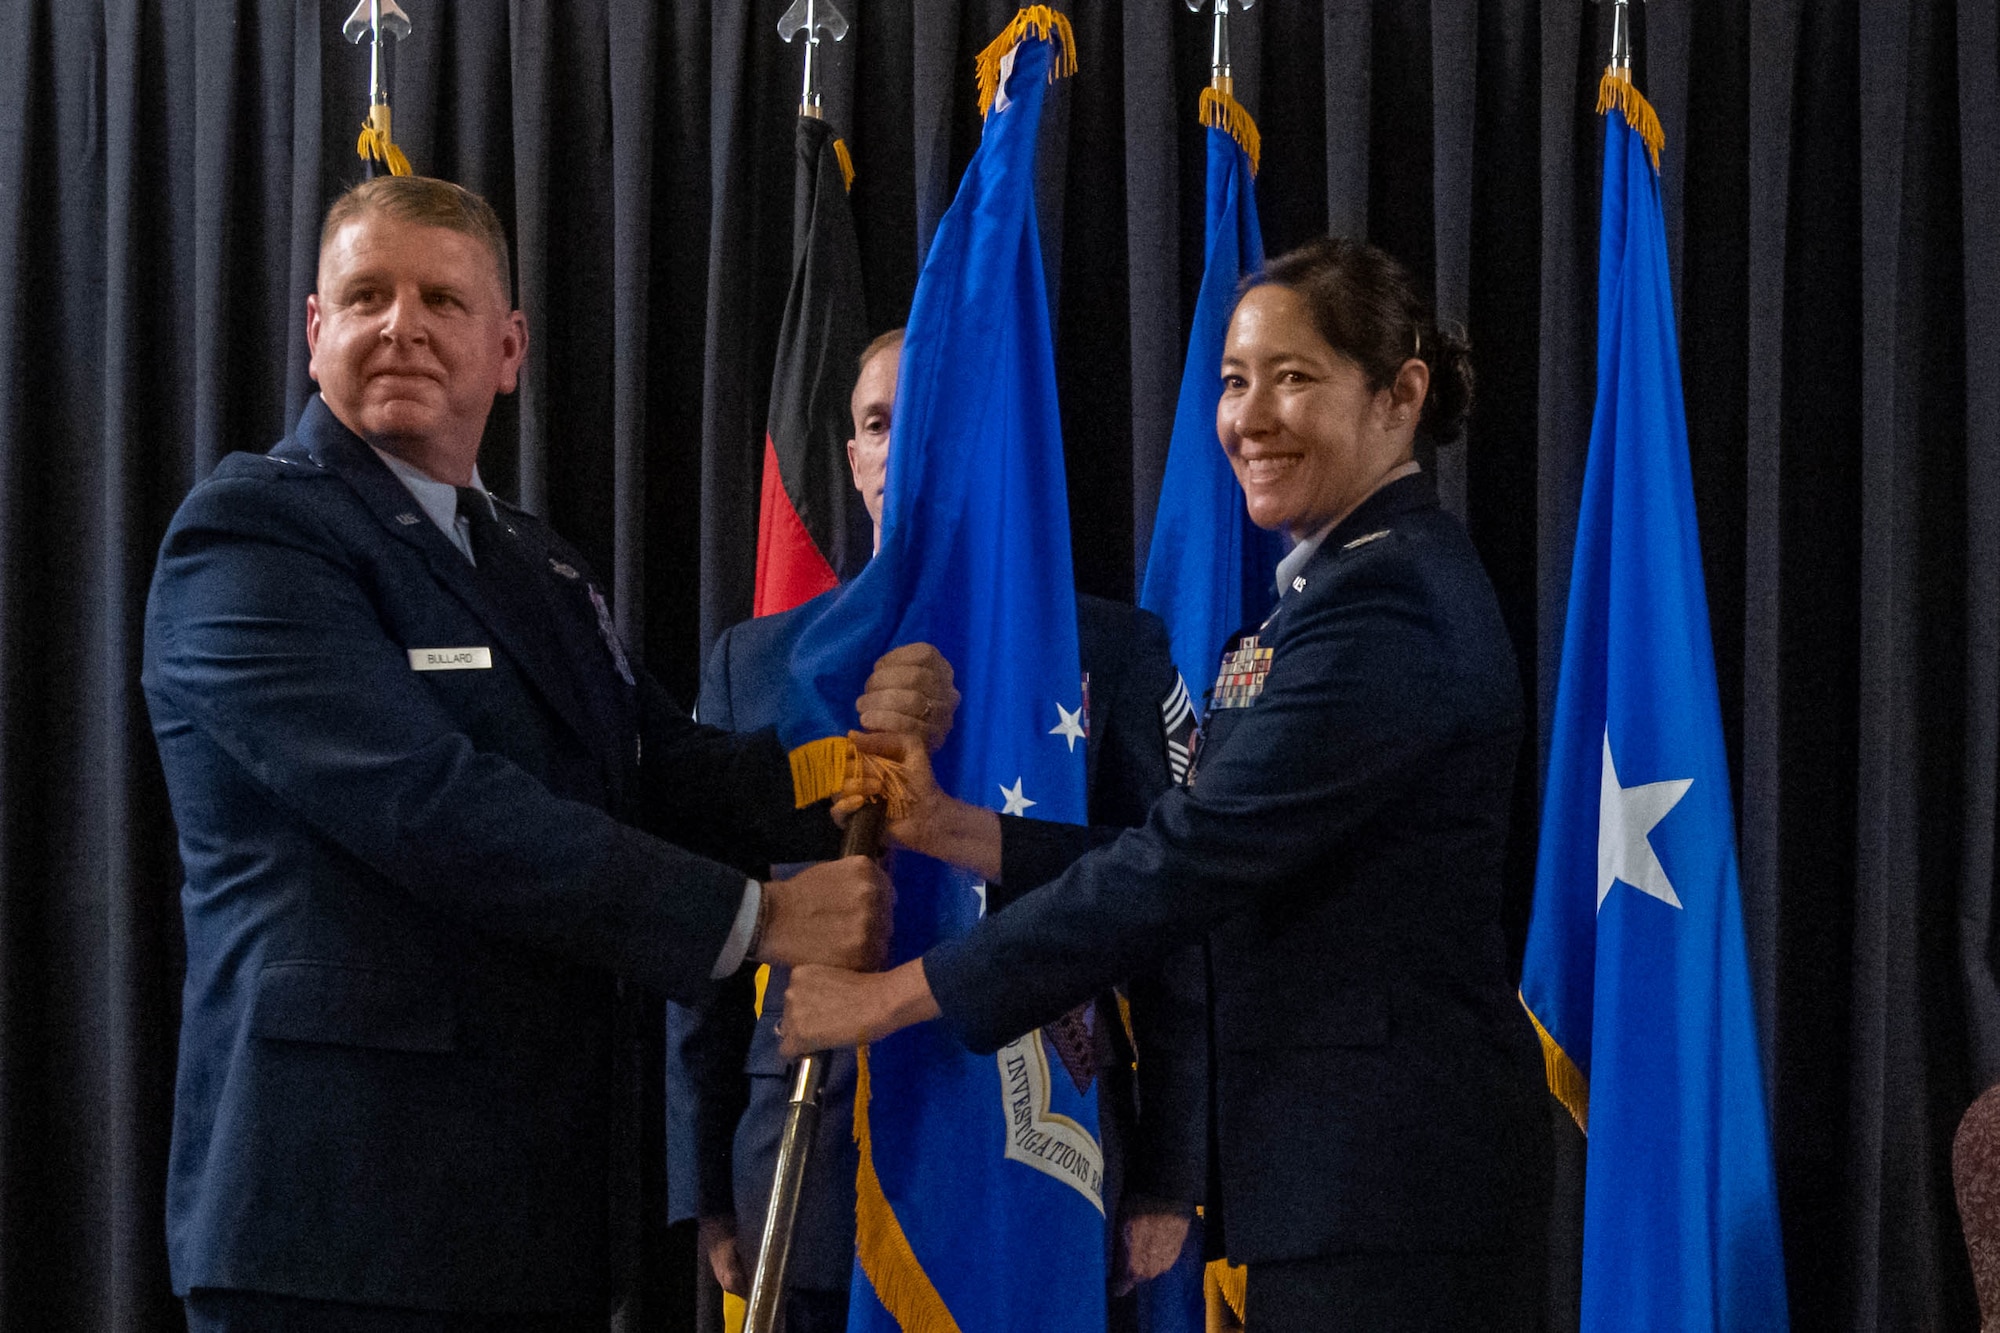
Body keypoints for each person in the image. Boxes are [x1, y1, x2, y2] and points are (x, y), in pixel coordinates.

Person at [141, 176, 954, 1332]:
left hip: (536, 1215)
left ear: (508, 347)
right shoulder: (251, 536)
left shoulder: (539, 563)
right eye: (365, 296)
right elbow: (430, 804)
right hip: (335, 1221)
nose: (402, 326)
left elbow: (660, 768)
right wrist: (755, 921)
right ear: (315, 330)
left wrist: (851, 771)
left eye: (443, 300)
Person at [780, 237, 1555, 1329]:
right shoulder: (1331, 588)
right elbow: (1208, 843)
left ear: (1400, 394)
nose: (1248, 417)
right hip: (1333, 1183)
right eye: (1235, 381)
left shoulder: (1389, 607)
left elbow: (1186, 865)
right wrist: (956, 831)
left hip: (1386, 1193)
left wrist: (891, 998)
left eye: (1293, 377)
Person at [667, 328, 1209, 1332]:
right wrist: (701, 1178)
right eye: (879, 425)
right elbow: (711, 926)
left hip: (1033, 1155)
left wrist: (1170, 1176)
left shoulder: (1112, 650)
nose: (906, 450)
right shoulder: (756, 662)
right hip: (812, 1148)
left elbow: (1171, 916)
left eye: (936, 425)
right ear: (854, 459)